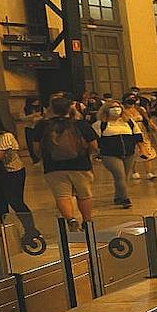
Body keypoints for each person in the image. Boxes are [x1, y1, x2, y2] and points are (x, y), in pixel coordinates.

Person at [32, 96, 98, 229]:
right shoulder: (80, 124)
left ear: (51, 109)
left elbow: (36, 148)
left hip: (53, 166)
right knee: (84, 194)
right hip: (80, 165)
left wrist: (44, 157)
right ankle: (87, 221)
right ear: (70, 108)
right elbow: (94, 145)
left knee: (62, 195)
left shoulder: (42, 125)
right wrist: (88, 155)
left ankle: (71, 220)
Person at [0, 114, 42, 245]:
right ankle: (2, 233)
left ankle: (31, 230)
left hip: (13, 173)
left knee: (15, 201)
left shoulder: (6, 137)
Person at [93, 99, 144, 209]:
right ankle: (125, 198)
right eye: (112, 107)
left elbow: (138, 135)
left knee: (124, 176)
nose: (116, 109)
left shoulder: (129, 122)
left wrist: (142, 149)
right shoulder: (100, 124)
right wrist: (96, 153)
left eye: (118, 107)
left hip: (129, 153)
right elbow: (94, 140)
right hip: (110, 154)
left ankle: (118, 196)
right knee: (119, 175)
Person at [122, 94, 157, 179]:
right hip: (130, 132)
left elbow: (147, 118)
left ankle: (148, 172)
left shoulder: (139, 109)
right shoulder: (122, 110)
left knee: (146, 149)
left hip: (142, 130)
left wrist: (152, 124)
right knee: (134, 151)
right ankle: (134, 171)